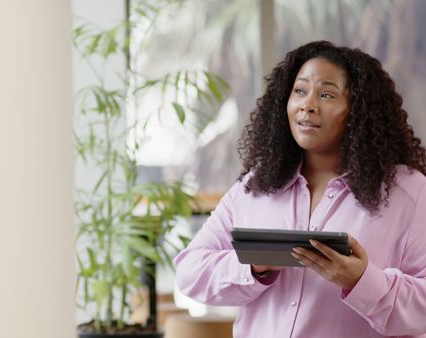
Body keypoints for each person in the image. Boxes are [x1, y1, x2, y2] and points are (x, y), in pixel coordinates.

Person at [174, 40, 426, 337]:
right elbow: (190, 271)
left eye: (326, 94)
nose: (308, 104)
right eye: (300, 91)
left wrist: (362, 281)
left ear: (358, 110)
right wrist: (254, 265)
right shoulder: (254, 187)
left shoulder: (410, 193)